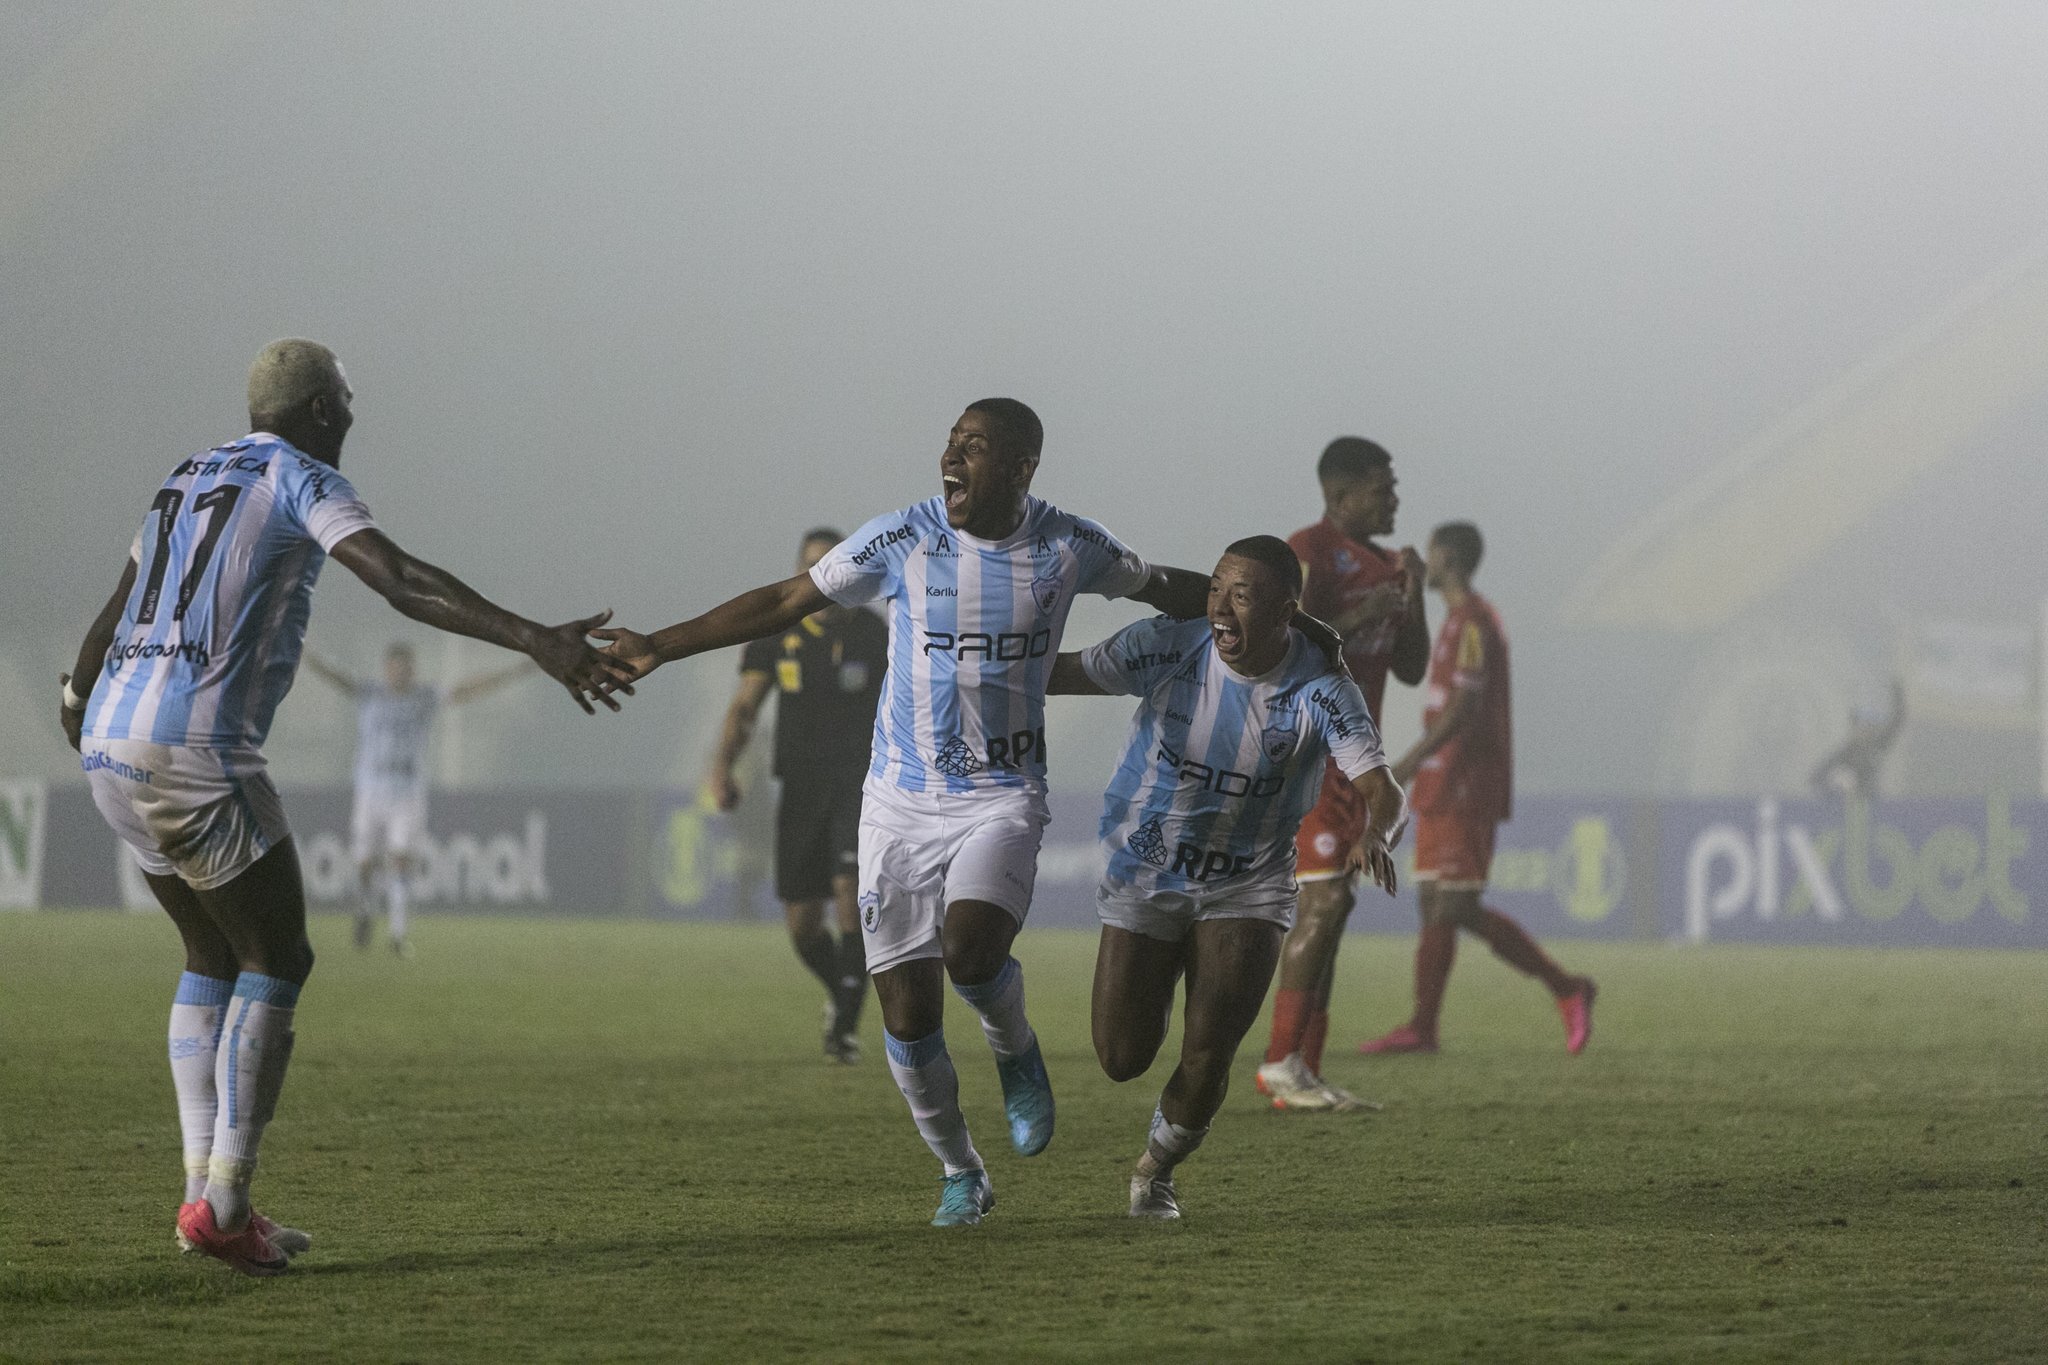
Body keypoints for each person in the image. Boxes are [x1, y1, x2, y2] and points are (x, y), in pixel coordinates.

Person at [592, 398, 1241, 1226]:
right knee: (906, 1008)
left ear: (1020, 466)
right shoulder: (903, 537)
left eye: (973, 446)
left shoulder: (1068, 544)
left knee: (969, 950)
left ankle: (1015, 1047)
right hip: (897, 801)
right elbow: (786, 599)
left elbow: (1164, 589)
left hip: (1000, 797)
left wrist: (1274, 623)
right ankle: (961, 1171)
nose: (950, 457)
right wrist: (661, 643)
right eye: (949, 443)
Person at [59, 339, 631, 1276]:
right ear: (323, 410)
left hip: (110, 740)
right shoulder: (298, 476)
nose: (353, 416)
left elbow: (117, 607)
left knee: (208, 952)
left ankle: (202, 1196)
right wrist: (535, 639)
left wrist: (77, 705)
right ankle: (227, 1201)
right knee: (277, 955)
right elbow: (400, 579)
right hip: (195, 745)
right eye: (347, 402)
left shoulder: (186, 473)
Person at [1047, 536, 1404, 1219]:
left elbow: (1383, 787)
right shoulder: (1165, 644)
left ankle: (1155, 1171)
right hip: (1147, 869)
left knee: (1209, 1049)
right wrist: (966, 658)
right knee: (1122, 1055)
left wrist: (1374, 833)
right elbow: (1055, 674)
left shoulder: (1322, 688)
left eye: (1242, 596)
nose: (1220, 609)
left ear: (1285, 613)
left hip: (1248, 882)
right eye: (1215, 590)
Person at [1356, 522, 1596, 1056]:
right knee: (1434, 902)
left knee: (1455, 906)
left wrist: (1408, 762)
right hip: (1444, 782)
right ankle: (1424, 1026)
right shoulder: (1453, 623)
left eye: (1434, 554)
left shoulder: (1475, 623)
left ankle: (1565, 987)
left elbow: (1464, 710)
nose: (1430, 562)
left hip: (1468, 779)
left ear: (1450, 558)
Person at [1256, 437, 1428, 1111]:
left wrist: (1411, 598)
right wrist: (1361, 611)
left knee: (1337, 903)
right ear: (1340, 496)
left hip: (1356, 762)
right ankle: (1279, 1062)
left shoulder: (1388, 564)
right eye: (1382, 487)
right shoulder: (1310, 549)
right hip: (1307, 754)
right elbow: (1279, 636)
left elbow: (1411, 666)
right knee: (1324, 902)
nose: (1394, 498)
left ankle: (1300, 1068)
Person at [707, 527, 888, 1062]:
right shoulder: (775, 633)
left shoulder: (877, 634)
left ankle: (845, 1032)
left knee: (853, 897)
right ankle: (842, 993)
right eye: (813, 567)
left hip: (863, 785)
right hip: (801, 787)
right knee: (804, 925)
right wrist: (722, 768)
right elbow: (745, 709)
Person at [303, 642, 532, 953]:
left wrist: (516, 671)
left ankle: (398, 934)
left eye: (406, 667)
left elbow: (464, 690)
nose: (401, 673)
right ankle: (365, 910)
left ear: (413, 670)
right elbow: (336, 676)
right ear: (386, 669)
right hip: (369, 789)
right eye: (395, 667)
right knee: (365, 862)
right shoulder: (370, 694)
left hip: (407, 791)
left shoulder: (423, 698)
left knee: (400, 859)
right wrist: (302, 651)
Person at [1810, 679, 1907, 800]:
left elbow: (1897, 721)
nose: (1865, 730)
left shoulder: (1878, 745)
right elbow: (1815, 778)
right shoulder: (1845, 752)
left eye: (1869, 726)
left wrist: (1897, 691)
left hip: (1873, 802)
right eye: (1861, 725)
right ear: (1854, 728)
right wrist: (1835, 784)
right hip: (1850, 805)